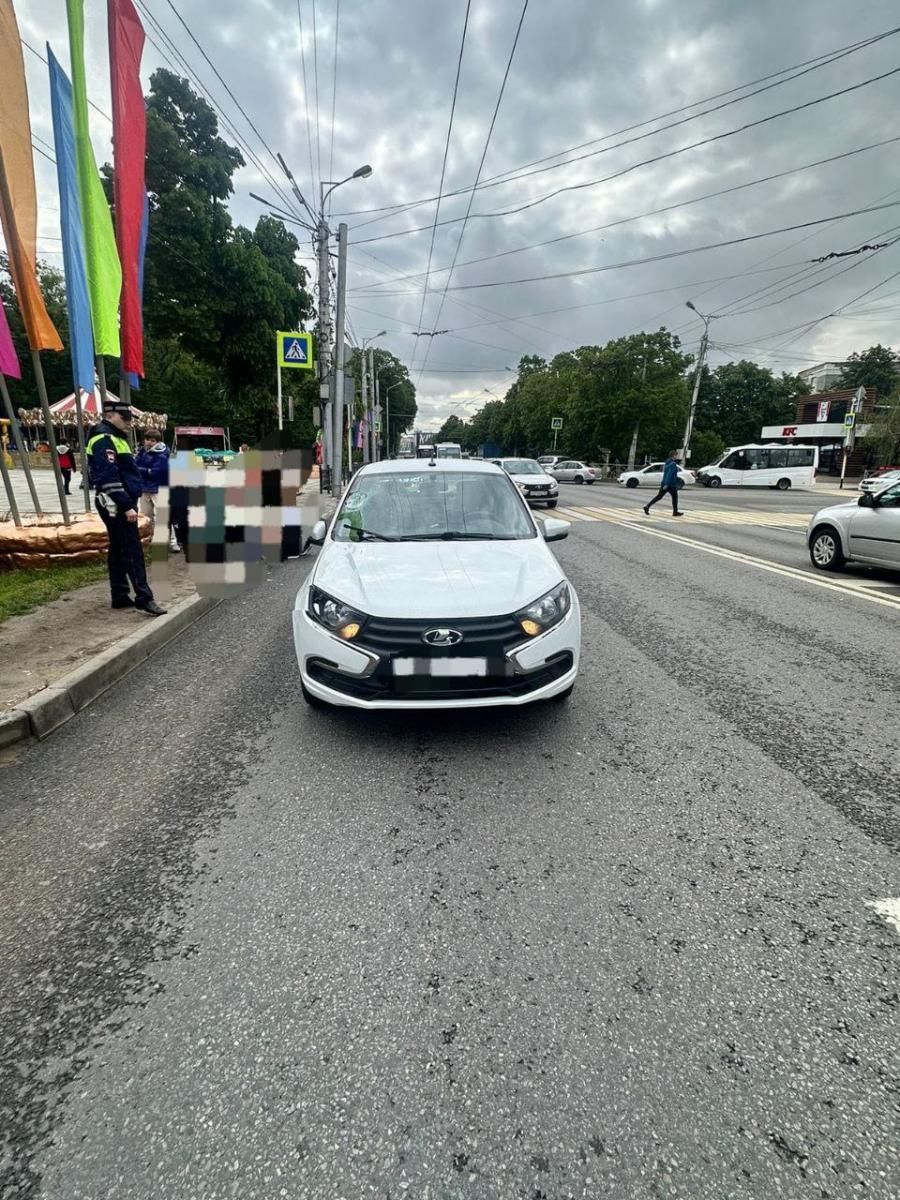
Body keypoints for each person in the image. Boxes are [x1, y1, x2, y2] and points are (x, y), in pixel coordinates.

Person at [86, 401, 167, 615]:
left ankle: (120, 594)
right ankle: (144, 597)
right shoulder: (104, 438)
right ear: (111, 415)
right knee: (132, 549)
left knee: (119, 548)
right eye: (126, 419)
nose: (130, 424)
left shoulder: (114, 436)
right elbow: (107, 476)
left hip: (118, 501)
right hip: (115, 503)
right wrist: (126, 505)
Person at [135, 428, 179, 551]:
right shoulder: (142, 451)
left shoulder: (162, 454)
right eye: (147, 439)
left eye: (152, 440)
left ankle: (172, 541)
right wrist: (145, 470)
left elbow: (156, 473)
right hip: (145, 488)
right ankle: (153, 540)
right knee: (146, 516)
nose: (148, 442)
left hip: (159, 488)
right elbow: (135, 465)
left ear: (157, 442)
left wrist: (141, 470)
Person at [643, 452, 684, 517]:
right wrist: (667, 484)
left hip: (664, 482)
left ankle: (647, 506)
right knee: (675, 497)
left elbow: (666, 473)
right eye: (676, 455)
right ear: (673, 456)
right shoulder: (673, 464)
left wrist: (665, 483)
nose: (676, 457)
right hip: (670, 484)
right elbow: (669, 474)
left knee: (659, 496)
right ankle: (675, 512)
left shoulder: (667, 463)